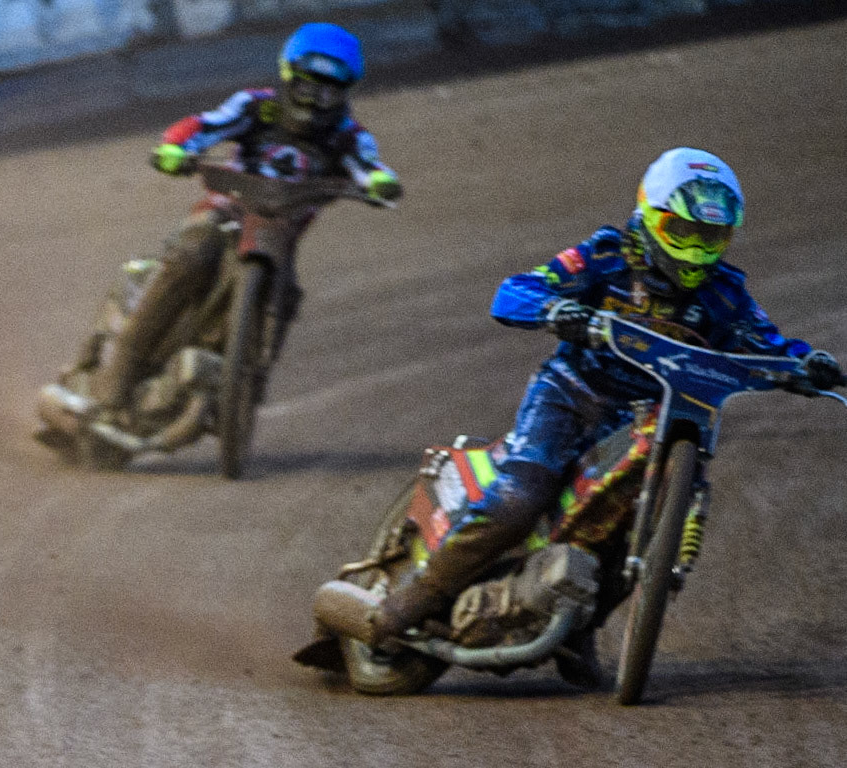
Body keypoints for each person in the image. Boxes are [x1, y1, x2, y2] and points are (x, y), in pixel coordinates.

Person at [366, 148, 843, 653]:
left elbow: (768, 344)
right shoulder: (606, 255)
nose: (697, 249)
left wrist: (809, 364)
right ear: (652, 217)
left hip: (653, 415)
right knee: (520, 496)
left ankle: (580, 629)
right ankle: (412, 601)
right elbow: (515, 291)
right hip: (573, 393)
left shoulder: (726, 294)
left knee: (638, 524)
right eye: (685, 232)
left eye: (711, 237)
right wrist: (560, 311)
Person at [86, 21, 402, 414]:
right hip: (225, 211)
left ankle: (247, 387)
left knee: (286, 296)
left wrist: (381, 183)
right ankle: (122, 366)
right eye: (306, 86)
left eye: (328, 91)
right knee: (194, 252)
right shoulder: (254, 106)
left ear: (343, 93)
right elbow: (205, 125)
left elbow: (370, 167)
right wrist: (175, 147)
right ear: (288, 77)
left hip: (279, 236)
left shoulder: (349, 136)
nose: (315, 100)